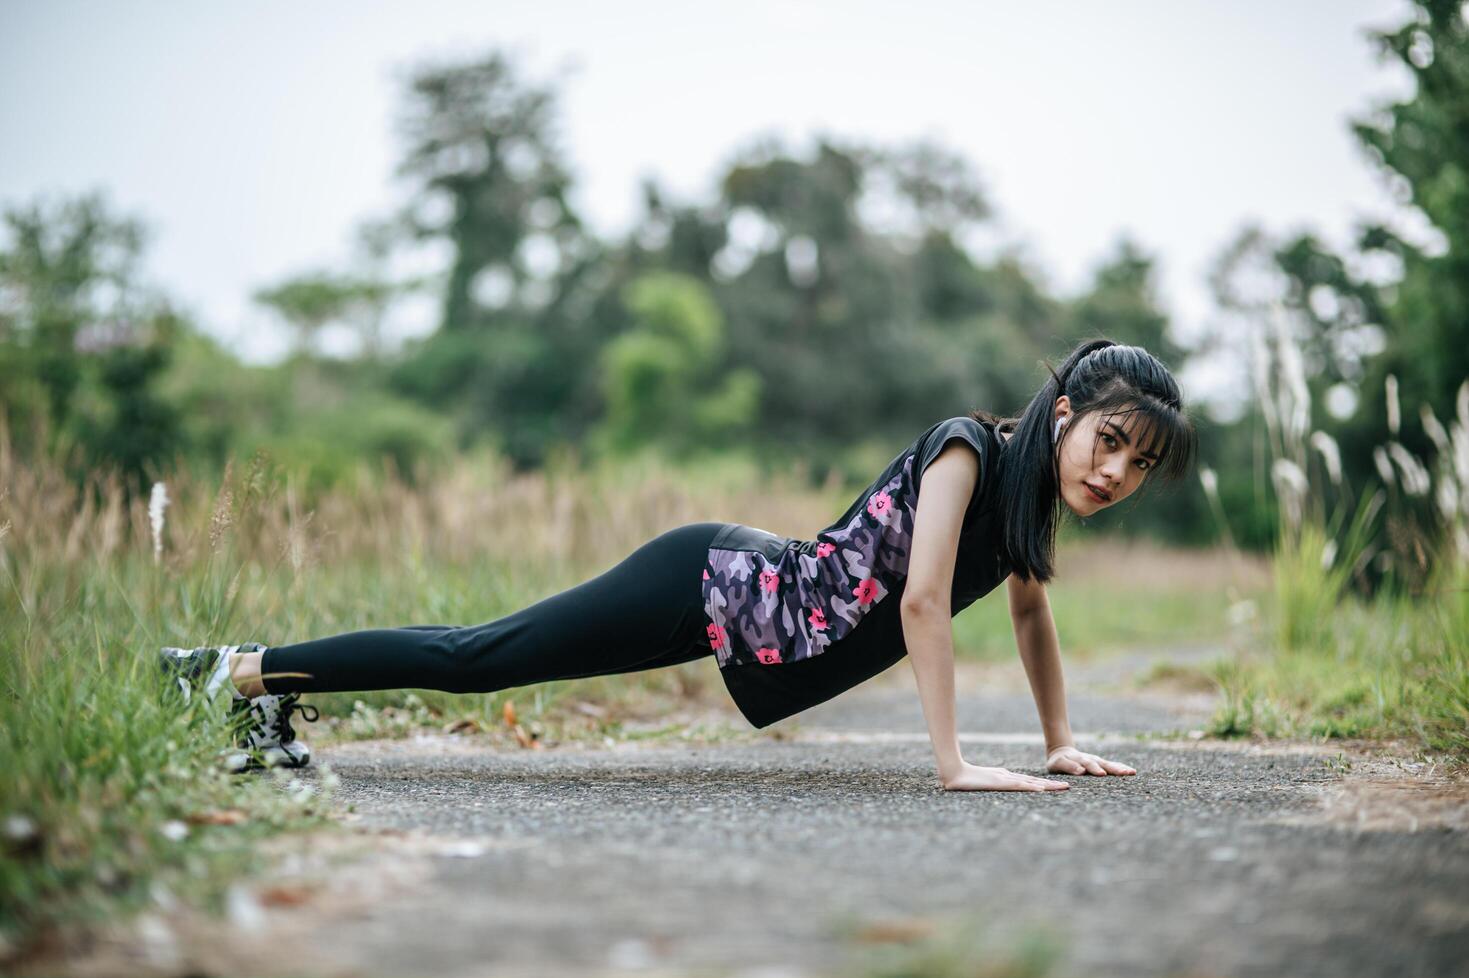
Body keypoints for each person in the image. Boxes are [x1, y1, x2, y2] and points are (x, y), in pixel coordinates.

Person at [162, 338, 1196, 792]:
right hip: (707, 580)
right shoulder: (967, 449)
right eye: (1107, 439)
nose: (1114, 471)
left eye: (1137, 463)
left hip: (736, 610)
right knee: (480, 654)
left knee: (485, 655)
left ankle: (252, 687)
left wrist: (1059, 741)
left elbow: (1028, 613)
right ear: (1063, 413)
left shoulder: (1022, 508)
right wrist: (952, 762)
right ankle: (234, 668)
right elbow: (923, 600)